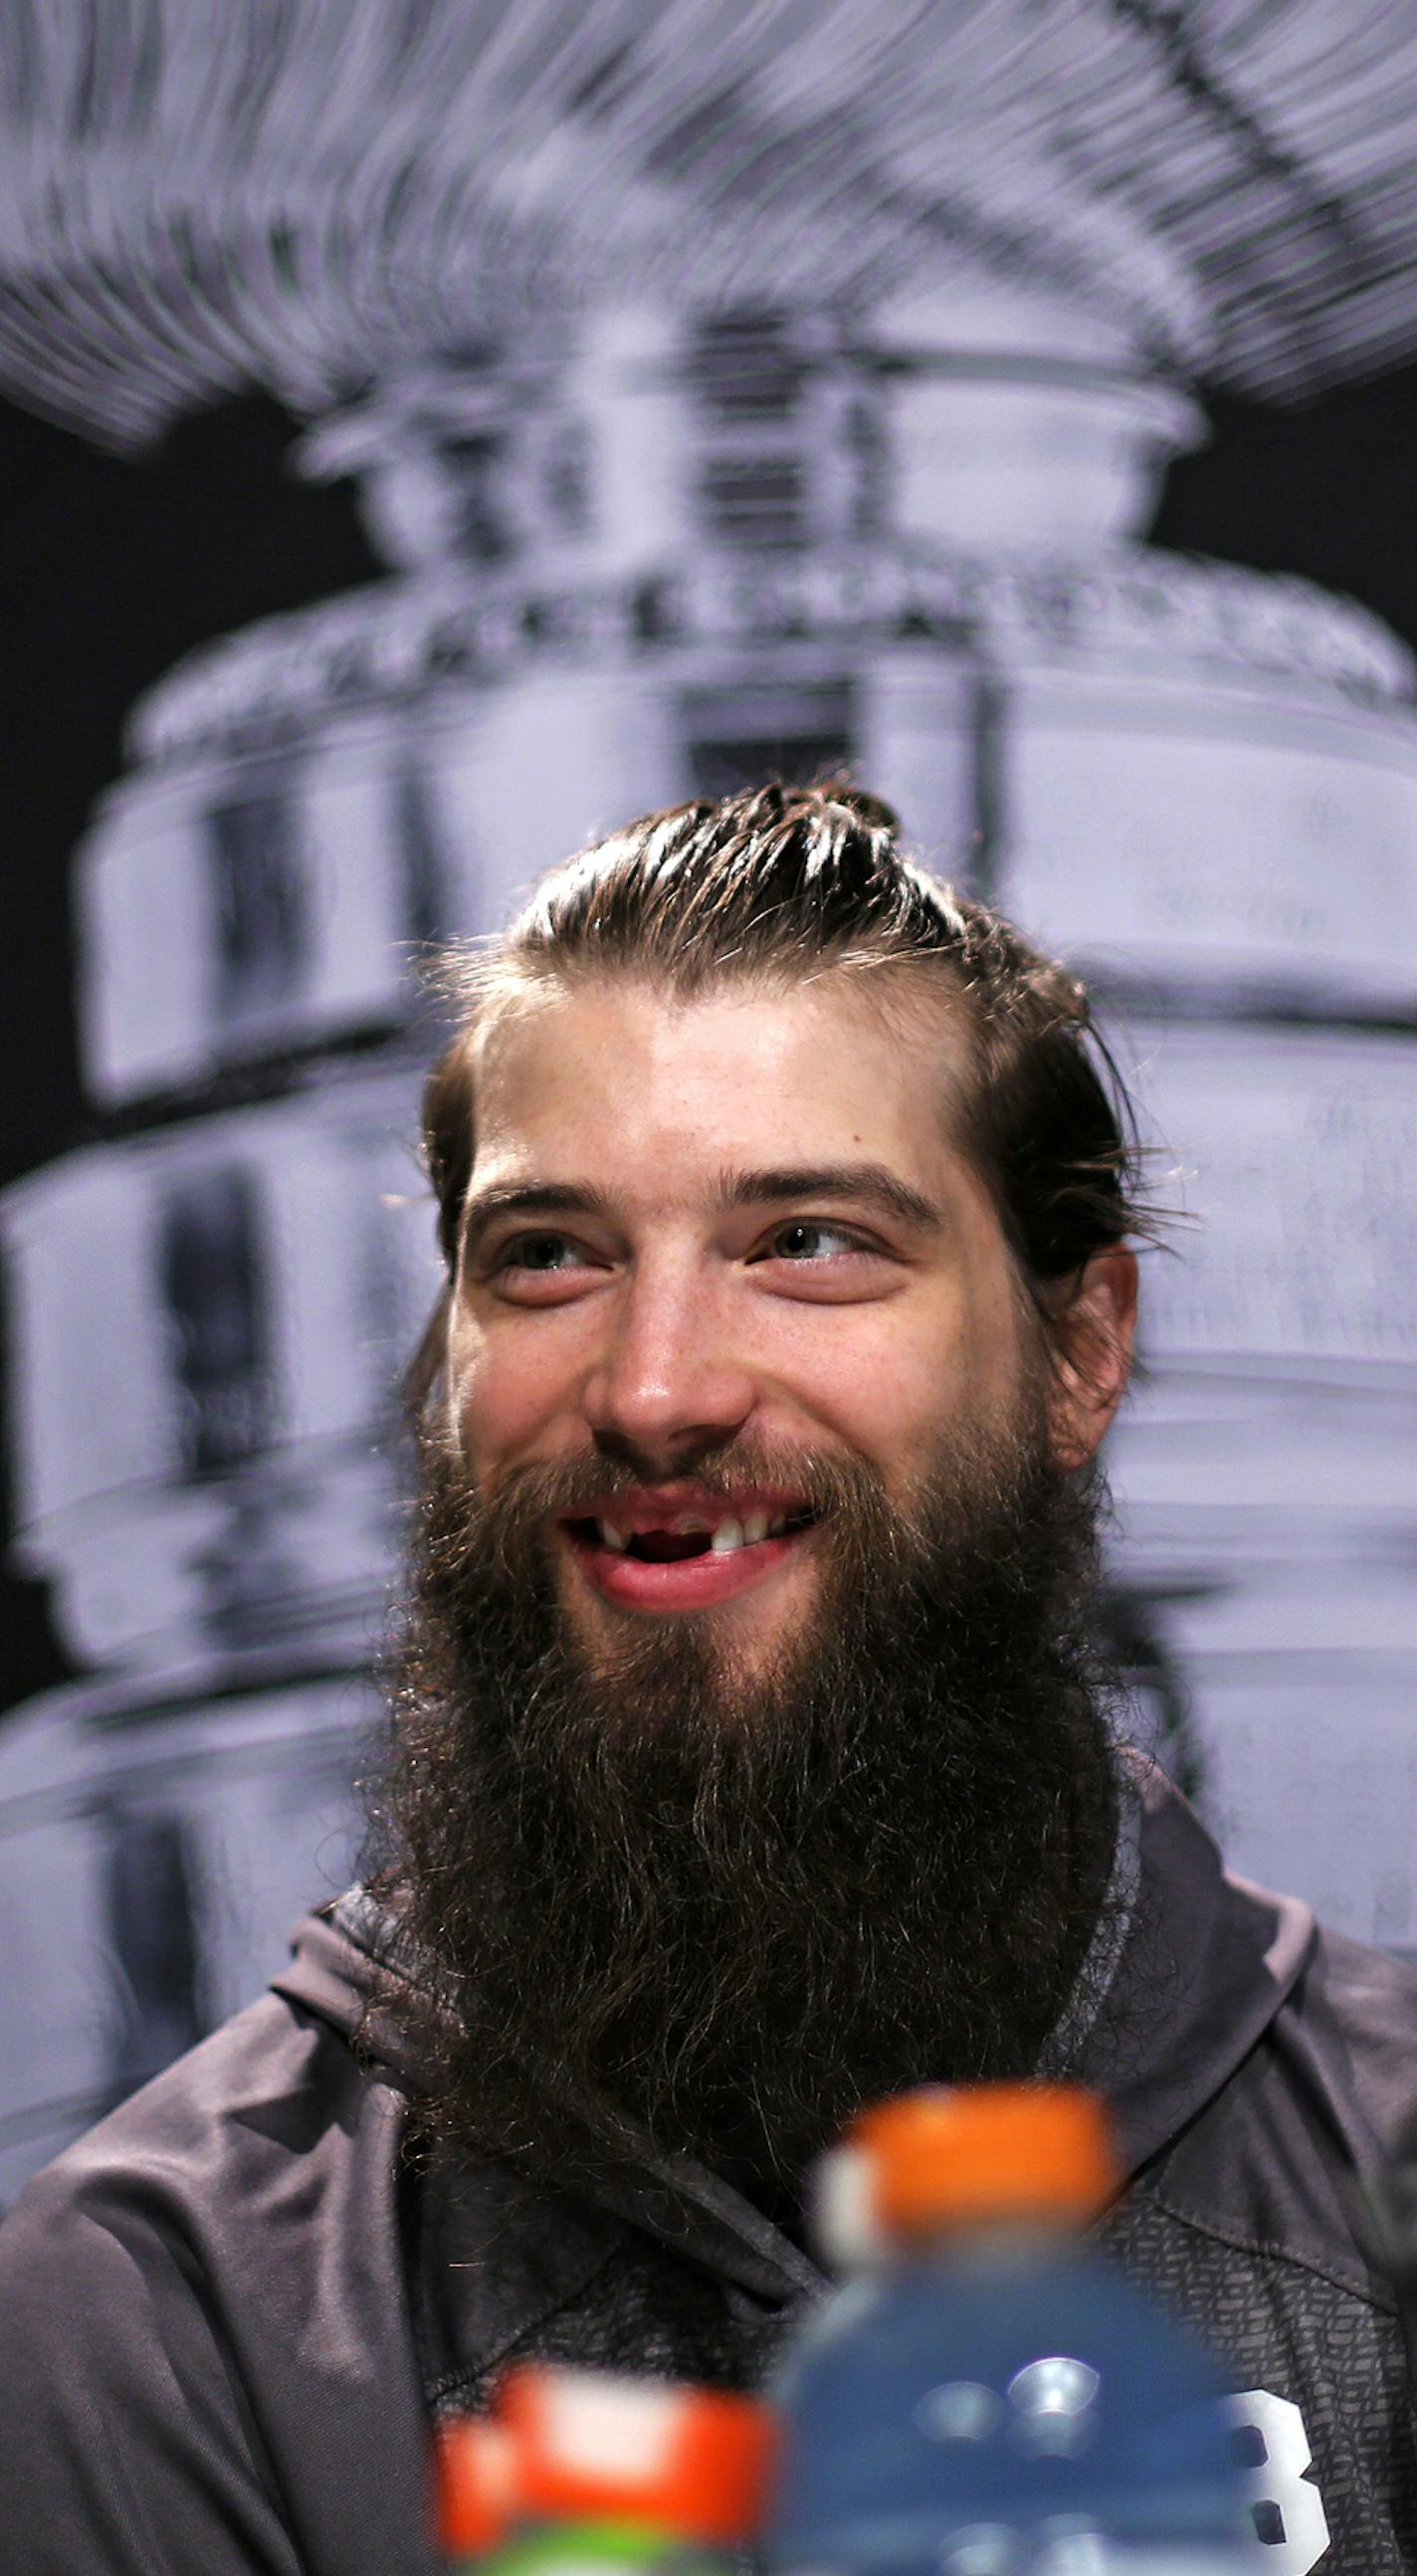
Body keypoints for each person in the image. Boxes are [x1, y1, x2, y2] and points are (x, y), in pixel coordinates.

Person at [0, 782, 1413, 2576]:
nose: (658, 1387)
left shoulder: (1386, 2172)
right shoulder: (163, 2316)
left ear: (1081, 1348)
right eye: (551, 1257)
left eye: (808, 1243)